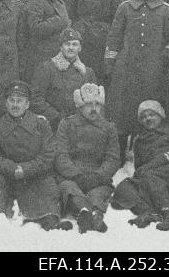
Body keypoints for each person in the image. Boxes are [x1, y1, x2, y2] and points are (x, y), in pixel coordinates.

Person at [105, 0, 169, 160]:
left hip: (153, 73)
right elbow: (114, 39)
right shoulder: (125, 8)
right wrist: (110, 65)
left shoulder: (166, 10)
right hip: (126, 71)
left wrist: (163, 57)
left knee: (151, 111)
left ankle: (148, 153)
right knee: (122, 113)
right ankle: (119, 156)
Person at [0, 81, 68, 231]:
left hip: (33, 177)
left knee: (48, 183)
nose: (15, 105)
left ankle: (48, 216)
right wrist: (12, 168)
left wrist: (26, 169)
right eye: (11, 100)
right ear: (5, 103)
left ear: (27, 104)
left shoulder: (41, 124)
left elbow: (49, 155)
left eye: (20, 101)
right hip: (6, 176)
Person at [112, 100, 169, 231]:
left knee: (149, 175)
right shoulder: (140, 141)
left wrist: (152, 166)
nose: (147, 119)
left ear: (160, 115)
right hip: (152, 179)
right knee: (123, 188)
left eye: (151, 114)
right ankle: (148, 212)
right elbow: (140, 168)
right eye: (143, 117)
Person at [54, 83, 120, 233]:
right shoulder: (67, 124)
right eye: (89, 104)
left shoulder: (109, 128)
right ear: (80, 106)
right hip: (72, 175)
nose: (94, 109)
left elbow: (113, 158)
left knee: (98, 194)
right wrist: (76, 174)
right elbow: (60, 154)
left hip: (98, 176)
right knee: (69, 189)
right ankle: (84, 212)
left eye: (97, 104)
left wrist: (99, 175)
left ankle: (95, 213)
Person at [66, 0, 121, 82]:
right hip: (82, 37)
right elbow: (70, 12)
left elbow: (117, 19)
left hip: (103, 39)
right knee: (79, 73)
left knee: (101, 75)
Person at [30, 29, 98, 130]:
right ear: (61, 47)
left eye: (75, 44)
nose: (71, 48)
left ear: (80, 48)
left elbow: (93, 102)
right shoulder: (47, 68)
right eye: (67, 44)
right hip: (52, 124)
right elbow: (36, 98)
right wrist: (57, 117)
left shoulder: (87, 73)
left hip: (79, 125)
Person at [23, 0, 72, 81]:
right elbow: (35, 29)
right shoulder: (36, 0)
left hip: (59, 56)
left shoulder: (59, 0)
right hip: (41, 58)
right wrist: (57, 21)